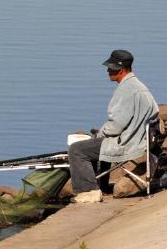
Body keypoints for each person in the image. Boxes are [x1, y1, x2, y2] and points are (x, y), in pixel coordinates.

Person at [68, 49, 159, 203]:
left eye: (111, 68)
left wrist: (98, 135)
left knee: (77, 149)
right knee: (96, 143)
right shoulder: (139, 86)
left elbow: (115, 127)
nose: (108, 70)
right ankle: (102, 186)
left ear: (121, 70)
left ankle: (89, 191)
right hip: (141, 139)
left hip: (128, 143)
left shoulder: (126, 90)